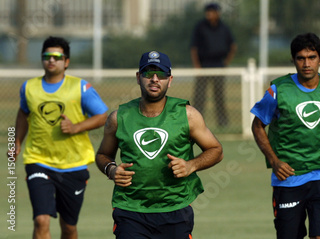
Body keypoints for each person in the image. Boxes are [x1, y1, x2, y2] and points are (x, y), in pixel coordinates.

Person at [95, 50, 223, 239]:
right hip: (130, 210)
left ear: (169, 80)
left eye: (161, 74)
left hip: (175, 209)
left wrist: (190, 165)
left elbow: (216, 150)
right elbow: (102, 155)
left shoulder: (188, 115)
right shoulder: (118, 118)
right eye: (148, 73)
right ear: (138, 78)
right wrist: (111, 170)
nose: (154, 79)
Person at [251, 33, 320, 239]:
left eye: (312, 57)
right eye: (301, 58)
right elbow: (258, 125)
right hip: (289, 177)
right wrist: (274, 161)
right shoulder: (277, 91)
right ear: (293, 60)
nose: (306, 63)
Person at [9, 36, 108, 239]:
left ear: (66, 62)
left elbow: (102, 116)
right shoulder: (28, 88)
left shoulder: (81, 88)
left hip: (74, 165)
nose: (51, 60)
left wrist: (76, 127)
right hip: (38, 161)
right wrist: (16, 142)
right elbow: (23, 113)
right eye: (47, 56)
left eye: (56, 56)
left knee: (69, 227)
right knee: (41, 220)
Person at [190, 2, 237, 126]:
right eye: (207, 12)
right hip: (204, 64)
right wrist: (197, 66)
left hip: (218, 64)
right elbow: (194, 47)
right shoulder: (200, 27)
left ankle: (223, 123)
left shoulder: (224, 28)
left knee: (219, 96)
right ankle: (196, 123)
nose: (209, 14)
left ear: (217, 13)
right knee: (199, 97)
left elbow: (233, 46)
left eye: (211, 12)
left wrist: (226, 62)